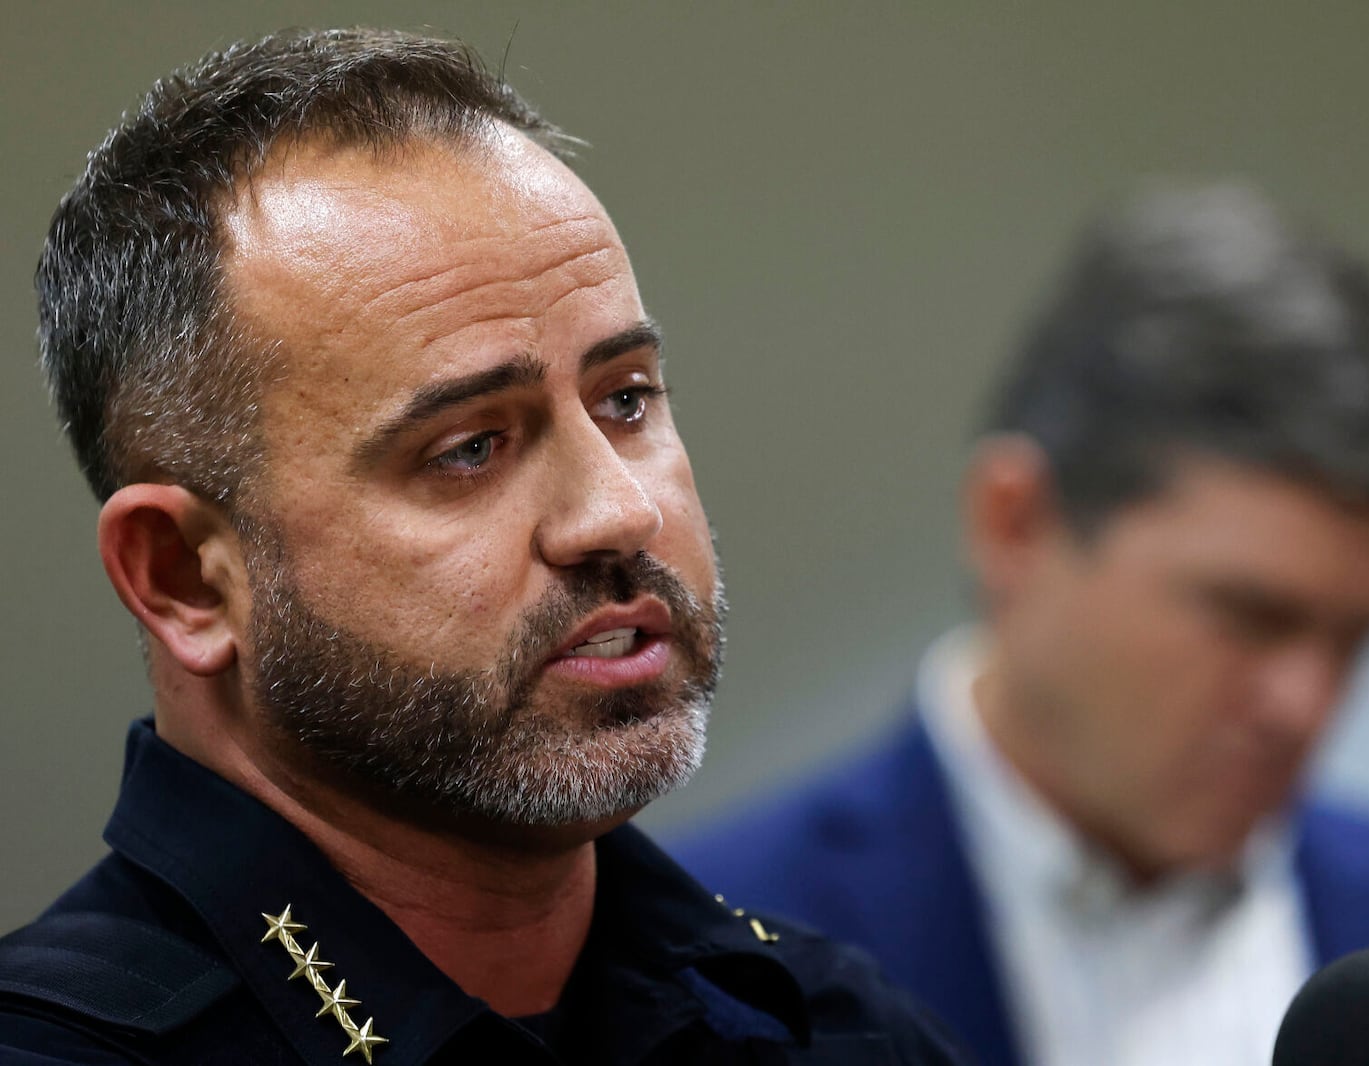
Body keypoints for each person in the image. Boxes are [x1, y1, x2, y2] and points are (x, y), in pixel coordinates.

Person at [0, 28, 967, 1066]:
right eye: (468, 449)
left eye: (626, 398)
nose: (617, 512)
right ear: (184, 576)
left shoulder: (832, 1026)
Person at [670, 183, 1369, 1066]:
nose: (1305, 706)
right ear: (1015, 524)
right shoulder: (687, 958)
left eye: (1358, 639)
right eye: (1251, 616)